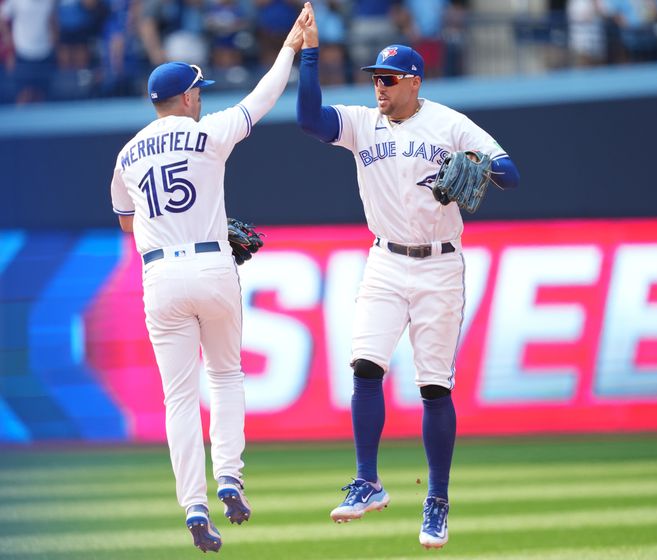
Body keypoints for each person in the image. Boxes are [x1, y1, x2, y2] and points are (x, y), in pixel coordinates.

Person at [296, 4, 520, 549]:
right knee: (365, 365)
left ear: (414, 82)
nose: (379, 87)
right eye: (376, 78)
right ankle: (367, 480)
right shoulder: (361, 121)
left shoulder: (448, 123)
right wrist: (308, 57)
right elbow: (308, 119)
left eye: (389, 80)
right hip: (385, 260)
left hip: (441, 264)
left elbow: (511, 173)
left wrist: (474, 166)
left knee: (433, 385)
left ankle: (437, 498)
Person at [109, 4, 309, 553]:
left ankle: (194, 506)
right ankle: (229, 478)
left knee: (178, 398)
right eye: (201, 91)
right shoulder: (210, 132)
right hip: (212, 263)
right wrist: (290, 47)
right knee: (224, 374)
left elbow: (129, 222)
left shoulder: (127, 154)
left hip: (159, 275)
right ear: (190, 97)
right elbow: (264, 97)